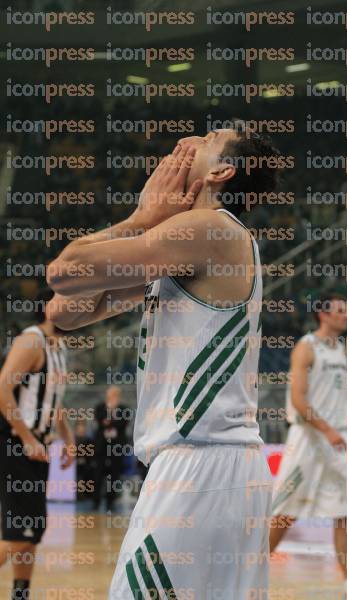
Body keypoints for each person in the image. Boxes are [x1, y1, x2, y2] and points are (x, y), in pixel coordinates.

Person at [46, 126, 279, 599]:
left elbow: (62, 270)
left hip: (201, 469)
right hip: (220, 469)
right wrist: (151, 224)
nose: (192, 137)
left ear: (221, 171)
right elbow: (62, 310)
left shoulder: (210, 230)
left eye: (211, 136)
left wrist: (140, 217)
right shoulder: (191, 244)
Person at [269, 293, 347, 600]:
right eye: (341, 310)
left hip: (337, 439)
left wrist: (342, 424)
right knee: (284, 514)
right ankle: (248, 574)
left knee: (343, 514)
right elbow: (299, 400)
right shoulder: (306, 347)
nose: (346, 316)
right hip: (309, 438)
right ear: (323, 315)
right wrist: (326, 429)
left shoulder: (341, 350)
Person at [0, 289, 75, 600]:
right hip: (16, 444)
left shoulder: (60, 347)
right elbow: (2, 392)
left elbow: (54, 403)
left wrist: (68, 440)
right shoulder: (31, 341)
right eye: (72, 301)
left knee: (30, 534)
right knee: (19, 535)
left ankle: (21, 595)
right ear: (49, 307)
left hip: (37, 449)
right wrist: (28, 439)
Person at [93, 386, 130, 511]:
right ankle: (96, 501)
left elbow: (123, 423)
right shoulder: (100, 407)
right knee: (98, 474)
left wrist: (109, 421)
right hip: (101, 446)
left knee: (115, 475)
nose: (112, 397)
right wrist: (111, 416)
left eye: (115, 395)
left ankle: (111, 501)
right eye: (110, 395)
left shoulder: (124, 409)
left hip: (117, 447)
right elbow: (99, 419)